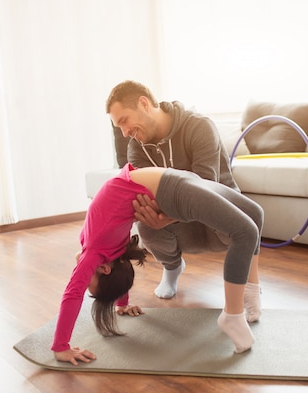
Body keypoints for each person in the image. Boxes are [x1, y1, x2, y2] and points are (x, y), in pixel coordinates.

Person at [51, 163, 264, 365]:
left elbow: (73, 293)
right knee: (246, 232)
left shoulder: (95, 250)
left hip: (177, 179)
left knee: (255, 214)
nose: (81, 276)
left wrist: (61, 346)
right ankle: (234, 314)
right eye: (88, 280)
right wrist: (121, 304)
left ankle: (247, 298)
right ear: (104, 268)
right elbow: (119, 267)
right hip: (171, 187)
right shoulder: (104, 253)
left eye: (86, 283)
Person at [106, 81, 263, 308]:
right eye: (118, 127)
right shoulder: (136, 149)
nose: (125, 132)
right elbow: (144, 199)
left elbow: (205, 187)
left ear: (144, 104)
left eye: (124, 121)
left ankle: (250, 288)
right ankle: (172, 269)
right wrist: (154, 214)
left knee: (250, 219)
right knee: (146, 225)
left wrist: (166, 214)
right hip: (182, 226)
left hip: (220, 220)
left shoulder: (199, 126)